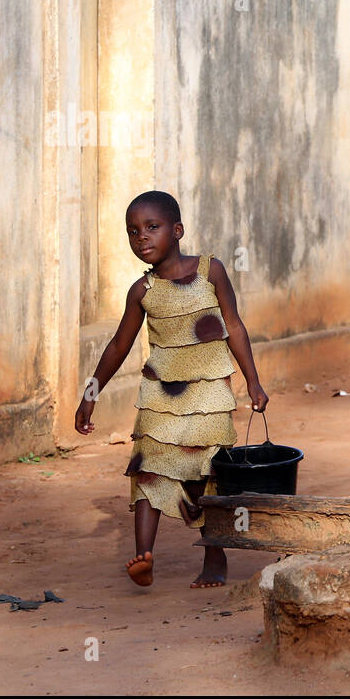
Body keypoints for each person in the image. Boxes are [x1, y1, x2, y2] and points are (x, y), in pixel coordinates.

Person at [74, 190, 269, 588]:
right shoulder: (142, 292)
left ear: (177, 230)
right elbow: (117, 346)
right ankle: (143, 555)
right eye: (133, 232)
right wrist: (89, 394)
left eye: (151, 227)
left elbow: (234, 325)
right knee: (148, 468)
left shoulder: (210, 271)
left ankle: (215, 556)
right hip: (161, 397)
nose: (141, 237)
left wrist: (253, 380)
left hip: (209, 396)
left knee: (204, 475)